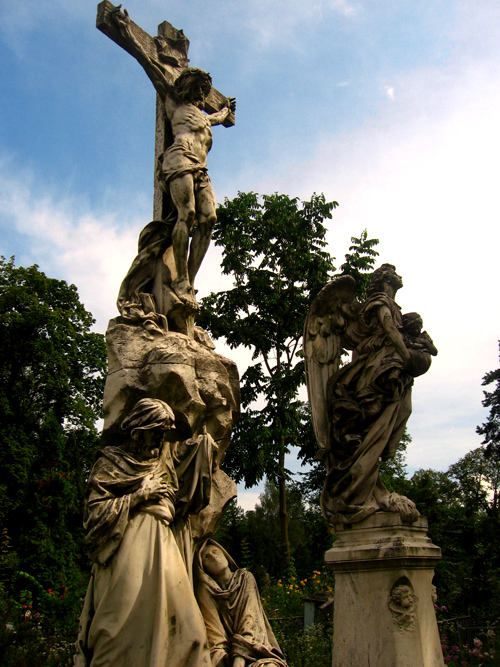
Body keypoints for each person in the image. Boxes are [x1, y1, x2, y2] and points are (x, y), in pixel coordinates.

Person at [74, 398, 213, 667]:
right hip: (127, 552)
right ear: (139, 432)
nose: (161, 440)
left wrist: (207, 438)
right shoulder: (111, 463)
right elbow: (94, 515)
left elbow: (190, 454)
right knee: (117, 633)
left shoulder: (164, 457)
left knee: (192, 632)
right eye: (157, 433)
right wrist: (140, 495)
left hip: (164, 550)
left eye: (164, 434)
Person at [112, 8, 236, 307]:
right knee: (187, 214)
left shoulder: (204, 116)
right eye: (199, 87)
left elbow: (220, 117)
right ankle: (179, 280)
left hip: (201, 167)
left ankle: (189, 280)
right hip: (179, 158)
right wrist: (126, 30)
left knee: (209, 219)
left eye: (205, 89)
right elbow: (148, 61)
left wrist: (226, 111)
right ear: (187, 86)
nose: (203, 92)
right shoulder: (173, 101)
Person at [322, 264, 436, 524]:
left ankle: (370, 487)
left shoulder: (395, 307)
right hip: (379, 369)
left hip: (394, 370)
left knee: (402, 411)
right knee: (371, 418)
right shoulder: (380, 302)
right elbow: (389, 329)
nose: (399, 275)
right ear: (385, 278)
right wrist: (407, 357)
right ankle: (359, 490)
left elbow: (403, 334)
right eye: (394, 271)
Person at [194, 540, 287, 667]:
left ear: (225, 555)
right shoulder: (207, 591)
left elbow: (249, 622)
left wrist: (239, 660)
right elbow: (215, 636)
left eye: (215, 552)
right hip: (227, 656)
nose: (214, 557)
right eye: (206, 557)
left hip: (255, 649)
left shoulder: (245, 578)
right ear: (203, 567)